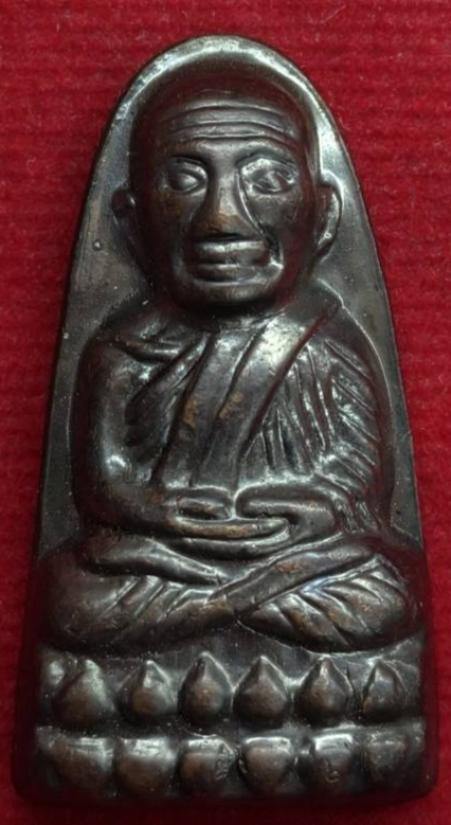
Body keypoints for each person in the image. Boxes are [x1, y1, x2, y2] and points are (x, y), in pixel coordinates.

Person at [38, 76, 421, 654]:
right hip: (164, 557)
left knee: (387, 591)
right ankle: (231, 606)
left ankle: (216, 610)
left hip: (297, 556)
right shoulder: (124, 348)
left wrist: (318, 510)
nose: (222, 220)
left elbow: (360, 481)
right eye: (185, 181)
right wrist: (158, 511)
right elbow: (102, 483)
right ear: (130, 221)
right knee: (69, 595)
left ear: (322, 216)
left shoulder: (323, 341)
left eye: (266, 180)